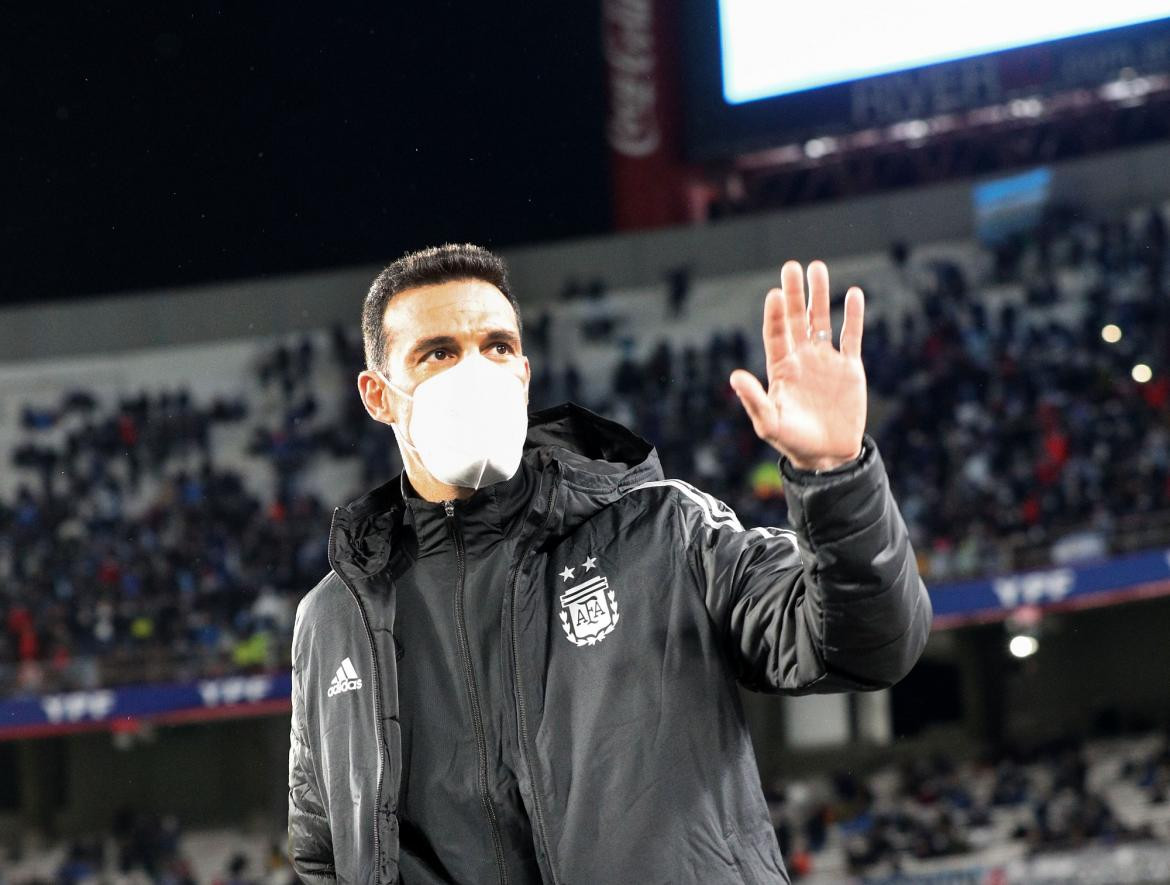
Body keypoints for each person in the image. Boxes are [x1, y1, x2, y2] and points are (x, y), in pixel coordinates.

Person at [287, 243, 932, 884]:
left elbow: (864, 644)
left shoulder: (664, 529)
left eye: (498, 346)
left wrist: (835, 478)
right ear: (379, 396)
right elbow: (321, 850)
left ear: (525, 374)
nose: (476, 370)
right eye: (438, 353)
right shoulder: (334, 616)